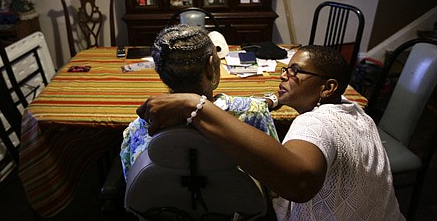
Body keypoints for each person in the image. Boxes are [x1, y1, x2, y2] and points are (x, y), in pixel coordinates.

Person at [136, 45, 404, 220]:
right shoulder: (357, 112)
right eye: (285, 69)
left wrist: (196, 105)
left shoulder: (313, 123)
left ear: (327, 87)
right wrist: (275, 101)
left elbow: (299, 182)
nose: (283, 76)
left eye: (295, 72)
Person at [120, 24, 279, 181]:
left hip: (165, 205)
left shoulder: (138, 130)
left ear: (161, 74)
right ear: (211, 67)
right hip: (240, 204)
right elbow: (276, 177)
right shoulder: (254, 113)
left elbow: (133, 181)